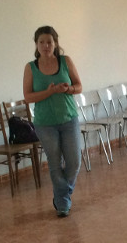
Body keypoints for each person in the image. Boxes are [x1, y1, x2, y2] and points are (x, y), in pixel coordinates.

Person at [22, 26, 82, 217]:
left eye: (49, 42)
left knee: (74, 162)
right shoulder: (30, 67)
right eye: (42, 42)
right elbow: (28, 97)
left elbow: (79, 86)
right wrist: (48, 92)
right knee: (55, 163)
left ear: (55, 43)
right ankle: (63, 202)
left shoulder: (65, 61)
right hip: (44, 123)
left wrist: (67, 90)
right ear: (36, 45)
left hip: (68, 118)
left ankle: (62, 194)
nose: (46, 46)